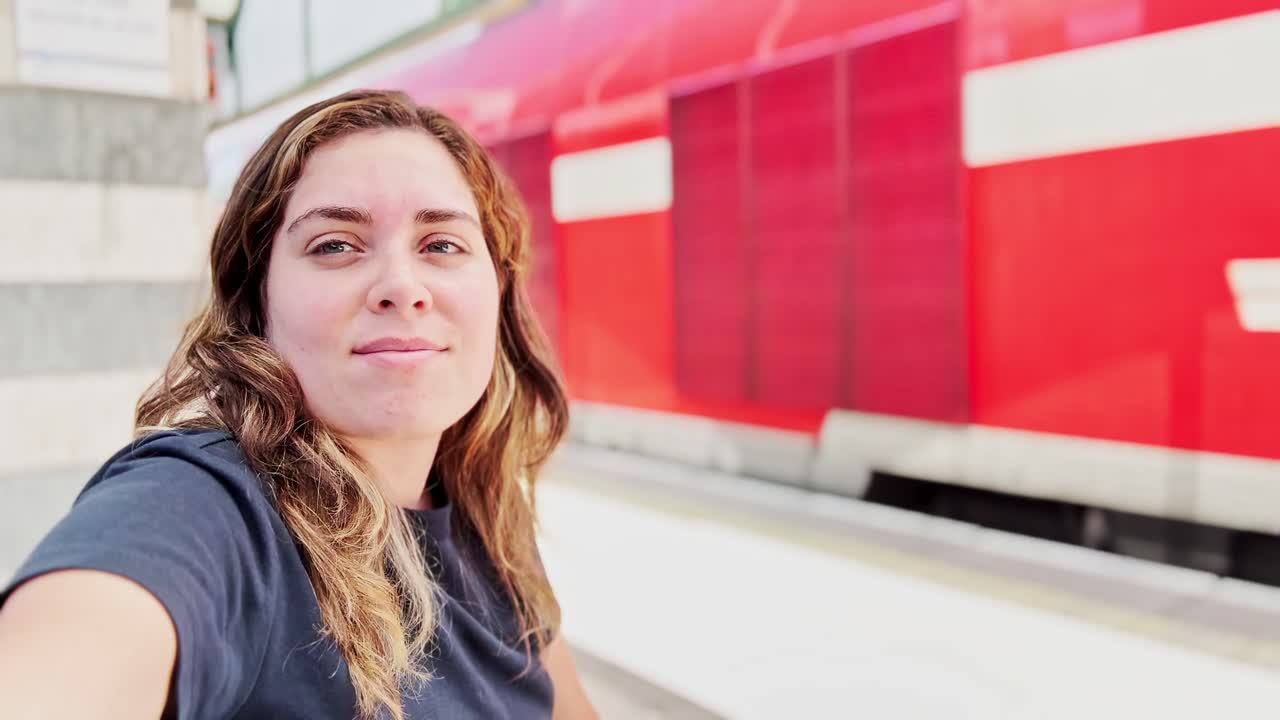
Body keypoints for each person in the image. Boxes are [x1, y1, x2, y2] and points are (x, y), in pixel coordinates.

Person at [0, 89, 598, 720]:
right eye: (335, 245)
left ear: (498, 290)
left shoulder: (486, 518)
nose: (402, 286)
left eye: (442, 245)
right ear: (258, 303)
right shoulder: (205, 503)